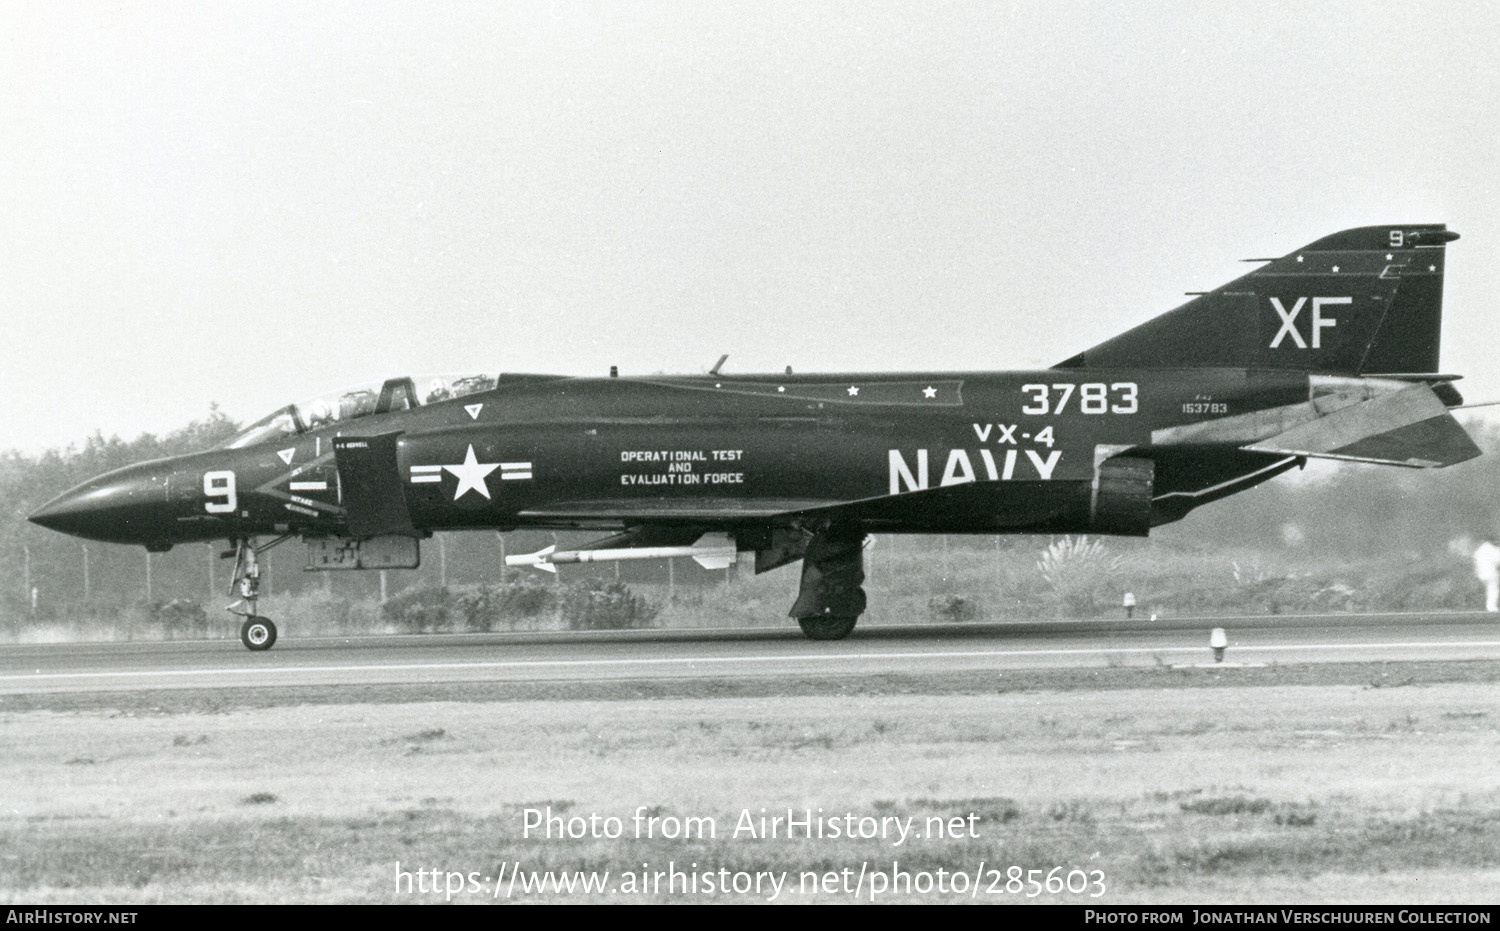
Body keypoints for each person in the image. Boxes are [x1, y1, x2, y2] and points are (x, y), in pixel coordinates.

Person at [1473, 541, 1500, 613]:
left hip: (1481, 573)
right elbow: (1498, 560)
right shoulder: (1494, 549)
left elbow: (1475, 558)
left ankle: (1485, 605)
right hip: (1491, 573)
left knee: (1489, 589)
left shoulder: (1481, 549)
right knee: (1493, 589)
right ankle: (1491, 607)